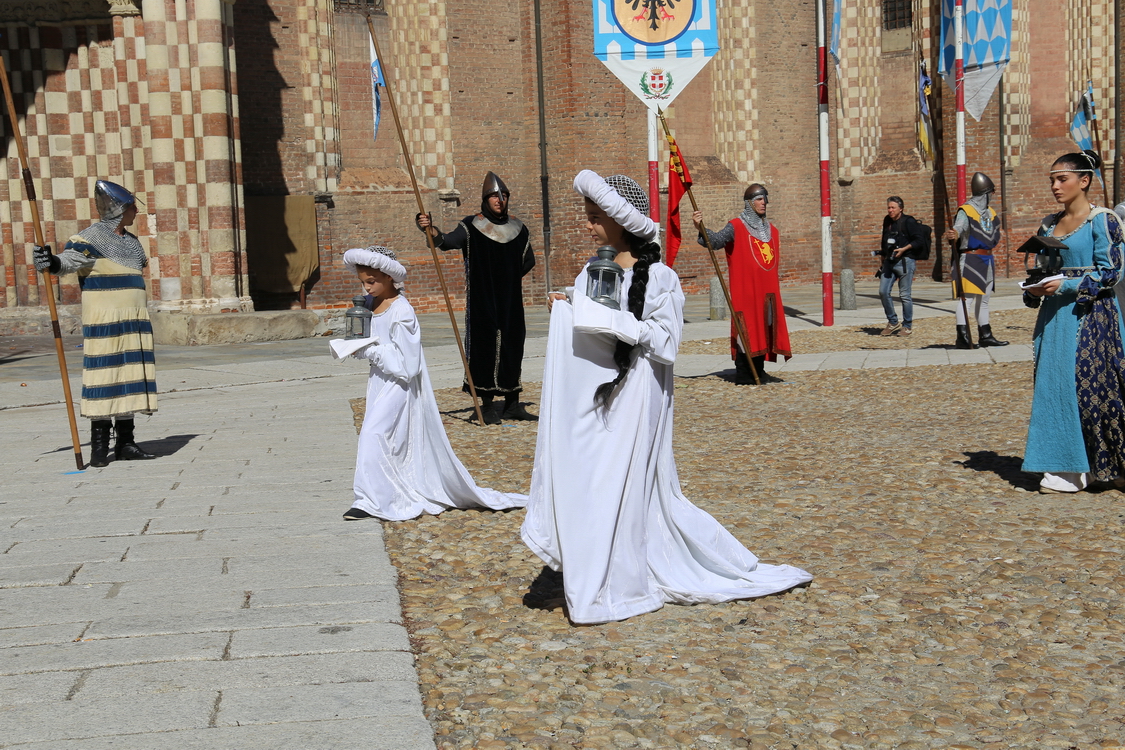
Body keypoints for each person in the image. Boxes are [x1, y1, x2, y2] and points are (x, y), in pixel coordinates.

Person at [520, 170, 812, 625]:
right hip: (598, 398)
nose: (590, 225)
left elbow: (666, 344)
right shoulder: (590, 271)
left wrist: (611, 321)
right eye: (588, 216)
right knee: (596, 477)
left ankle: (624, 565)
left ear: (623, 222)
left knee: (629, 480)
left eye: (597, 217)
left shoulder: (659, 278)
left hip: (639, 396)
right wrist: (569, 305)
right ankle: (594, 554)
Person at [332, 246, 527, 521]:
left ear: (389, 277)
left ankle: (370, 500)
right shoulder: (369, 304)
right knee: (387, 439)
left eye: (371, 281)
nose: (366, 287)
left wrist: (369, 350)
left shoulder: (402, 312)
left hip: (399, 386)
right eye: (363, 281)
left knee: (374, 435)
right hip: (379, 381)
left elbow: (408, 365)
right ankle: (378, 495)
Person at [33, 180, 157, 468]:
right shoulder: (88, 239)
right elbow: (67, 262)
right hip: (105, 321)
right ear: (118, 210)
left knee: (129, 377)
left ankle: (126, 443)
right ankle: (99, 447)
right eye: (130, 207)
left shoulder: (132, 242)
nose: (136, 210)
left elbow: (139, 266)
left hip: (134, 321)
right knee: (104, 378)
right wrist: (49, 261)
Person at [1022, 150, 1125, 494]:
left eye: (1061, 178)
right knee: (1054, 388)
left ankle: (1101, 465)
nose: (1054, 185)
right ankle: (1067, 465)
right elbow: (1039, 268)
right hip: (1054, 320)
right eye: (1051, 179)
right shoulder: (1048, 224)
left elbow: (1112, 272)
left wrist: (1066, 284)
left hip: (1091, 316)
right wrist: (1034, 290)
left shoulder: (1102, 220)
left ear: (1084, 180)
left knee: (1093, 389)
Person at [416, 172, 536, 425]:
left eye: (503, 195)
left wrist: (508, 279)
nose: (499, 200)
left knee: (513, 346)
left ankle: (513, 403)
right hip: (483, 300)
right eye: (494, 196)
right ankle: (488, 404)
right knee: (485, 347)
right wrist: (430, 228)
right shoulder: (471, 226)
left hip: (511, 300)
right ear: (486, 199)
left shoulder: (519, 228)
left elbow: (528, 260)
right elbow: (445, 241)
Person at [691, 184, 791, 384]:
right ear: (749, 203)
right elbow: (717, 241)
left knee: (764, 327)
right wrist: (700, 227)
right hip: (746, 289)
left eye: (765, 199)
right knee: (747, 328)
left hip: (767, 291)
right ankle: (745, 373)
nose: (764, 203)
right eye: (759, 199)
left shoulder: (772, 230)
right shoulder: (736, 226)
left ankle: (760, 371)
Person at [943, 172, 1009, 349]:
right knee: (968, 299)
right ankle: (963, 337)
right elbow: (959, 227)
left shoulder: (991, 213)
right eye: (991, 193)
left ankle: (985, 334)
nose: (992, 196)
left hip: (987, 258)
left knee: (984, 299)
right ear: (986, 193)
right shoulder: (966, 210)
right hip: (971, 259)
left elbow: (994, 233)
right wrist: (954, 234)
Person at [876, 197, 926, 336]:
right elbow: (884, 240)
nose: (890, 210)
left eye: (893, 208)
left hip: (905, 261)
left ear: (901, 208)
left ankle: (907, 325)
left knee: (904, 295)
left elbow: (919, 241)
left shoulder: (909, 221)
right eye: (889, 208)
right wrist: (883, 259)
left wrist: (904, 249)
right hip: (889, 261)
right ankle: (893, 322)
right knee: (883, 292)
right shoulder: (887, 221)